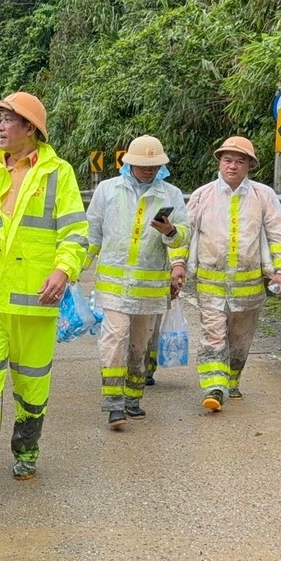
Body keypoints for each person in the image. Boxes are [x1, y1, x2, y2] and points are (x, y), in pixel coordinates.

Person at [0, 92, 89, 500]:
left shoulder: (58, 174)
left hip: (36, 301)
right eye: (0, 119)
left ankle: (26, 449)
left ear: (31, 128)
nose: (0, 126)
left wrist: (63, 271)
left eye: (9, 120)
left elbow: (75, 232)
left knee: (32, 387)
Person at [84, 136, 188, 430]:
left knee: (138, 346)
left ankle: (132, 398)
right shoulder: (108, 190)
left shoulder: (170, 195)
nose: (148, 170)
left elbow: (184, 236)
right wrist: (74, 269)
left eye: (154, 165)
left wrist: (171, 234)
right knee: (114, 338)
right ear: (127, 163)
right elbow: (92, 233)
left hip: (149, 287)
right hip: (114, 286)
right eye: (142, 165)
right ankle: (114, 404)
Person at [186, 136, 281, 412]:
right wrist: (178, 266)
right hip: (210, 283)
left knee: (240, 339)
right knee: (213, 336)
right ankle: (214, 387)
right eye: (227, 160)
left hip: (249, 286)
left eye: (239, 161)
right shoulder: (202, 196)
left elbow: (278, 234)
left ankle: (231, 380)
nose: (232, 166)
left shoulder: (263, 196)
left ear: (249, 166)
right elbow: (185, 235)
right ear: (219, 163)